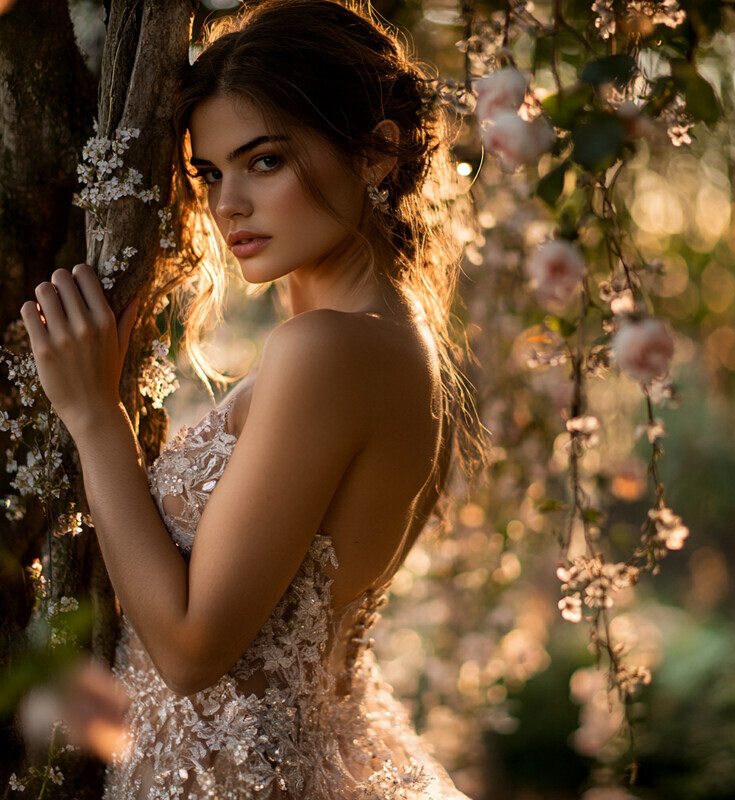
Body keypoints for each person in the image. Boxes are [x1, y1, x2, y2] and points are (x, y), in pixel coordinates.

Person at [20, 0, 487, 797]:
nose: (227, 202)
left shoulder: (327, 351)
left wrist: (97, 420)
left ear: (376, 154)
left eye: (264, 160)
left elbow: (193, 650)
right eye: (210, 172)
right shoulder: (400, 343)